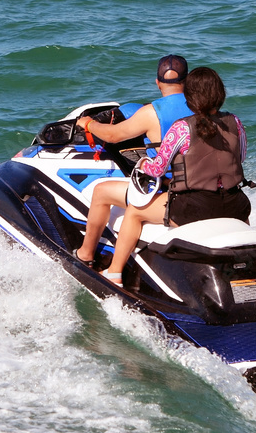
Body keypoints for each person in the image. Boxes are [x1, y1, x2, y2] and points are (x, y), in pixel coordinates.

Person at [80, 66, 251, 286]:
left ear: (190, 97)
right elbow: (241, 156)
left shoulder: (182, 128)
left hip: (194, 208)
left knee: (134, 212)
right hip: (236, 205)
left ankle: (114, 272)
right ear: (221, 94)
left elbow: (157, 169)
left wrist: (143, 163)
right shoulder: (235, 122)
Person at [72, 56, 192, 271]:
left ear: (157, 82)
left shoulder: (150, 112)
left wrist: (88, 124)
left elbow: (114, 135)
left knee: (101, 192)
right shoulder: (204, 108)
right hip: (205, 186)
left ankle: (86, 254)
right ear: (189, 80)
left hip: (171, 191)